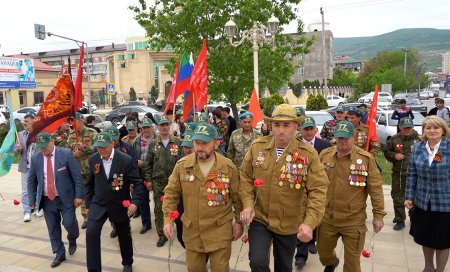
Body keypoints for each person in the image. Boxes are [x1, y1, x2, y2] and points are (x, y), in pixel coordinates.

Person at [239, 104, 329, 272]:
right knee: (257, 262)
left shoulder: (308, 154)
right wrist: (248, 204)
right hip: (261, 218)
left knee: (284, 267)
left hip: (288, 222)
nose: (281, 130)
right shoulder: (257, 147)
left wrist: (309, 223)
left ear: (296, 126)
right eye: (276, 125)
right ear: (270, 126)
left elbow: (318, 190)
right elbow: (244, 176)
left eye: (286, 125)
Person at [163, 124, 243, 272]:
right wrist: (168, 220)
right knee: (194, 269)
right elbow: (171, 195)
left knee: (220, 269)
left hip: (220, 231)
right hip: (193, 232)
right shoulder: (182, 166)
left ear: (216, 143)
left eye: (205, 143)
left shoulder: (227, 167)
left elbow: (238, 198)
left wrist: (238, 222)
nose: (200, 147)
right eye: (197, 142)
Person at [318, 120, 386, 272]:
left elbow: (376, 189)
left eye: (345, 138)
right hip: (328, 217)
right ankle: (331, 262)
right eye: (339, 137)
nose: (342, 141)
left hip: (353, 220)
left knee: (352, 263)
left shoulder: (366, 159)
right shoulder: (325, 155)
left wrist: (378, 216)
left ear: (353, 137)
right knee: (323, 253)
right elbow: (315, 184)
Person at [85, 132, 144, 272]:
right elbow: (89, 184)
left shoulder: (125, 160)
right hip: (98, 203)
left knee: (123, 234)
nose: (101, 150)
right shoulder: (93, 159)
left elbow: (138, 183)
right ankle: (93, 269)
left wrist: (134, 202)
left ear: (112, 144)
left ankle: (127, 262)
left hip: (119, 203)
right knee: (91, 233)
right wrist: (88, 204)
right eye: (98, 147)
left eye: (104, 147)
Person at [27, 132, 83, 268]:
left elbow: (77, 176)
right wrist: (32, 200)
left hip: (66, 198)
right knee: (52, 228)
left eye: (45, 146)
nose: (43, 149)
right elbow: (31, 180)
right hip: (47, 200)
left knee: (69, 223)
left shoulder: (66, 154)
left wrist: (79, 196)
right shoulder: (36, 159)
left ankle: (72, 237)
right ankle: (59, 252)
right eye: (40, 147)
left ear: (52, 141)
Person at [405, 116, 450, 272]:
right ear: (423, 130)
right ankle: (428, 267)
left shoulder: (448, 148)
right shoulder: (418, 147)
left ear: (443, 130)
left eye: (436, 127)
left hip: (445, 204)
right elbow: (411, 173)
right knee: (426, 237)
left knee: (443, 240)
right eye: (428, 127)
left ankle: (440, 270)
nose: (432, 131)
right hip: (423, 202)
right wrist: (409, 196)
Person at [294, 116, 331, 268]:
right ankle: (300, 255)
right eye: (305, 129)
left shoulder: (325, 145)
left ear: (316, 130)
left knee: (315, 213)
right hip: (300, 188)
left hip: (317, 187)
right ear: (300, 130)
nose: (308, 132)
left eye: (311, 129)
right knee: (302, 217)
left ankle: (312, 240)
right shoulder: (295, 145)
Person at [145, 115, 182, 247]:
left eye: (166, 124)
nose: (164, 127)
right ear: (158, 127)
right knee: (160, 209)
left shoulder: (177, 142)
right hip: (158, 182)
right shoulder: (153, 144)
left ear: (170, 126)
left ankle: (180, 230)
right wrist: (148, 180)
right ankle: (162, 234)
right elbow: (148, 164)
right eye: (162, 125)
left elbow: (183, 162)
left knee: (178, 206)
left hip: (175, 182)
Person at [384, 117, 420, 231]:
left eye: (409, 128)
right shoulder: (394, 139)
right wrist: (394, 156)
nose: (407, 130)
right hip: (399, 173)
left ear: (412, 127)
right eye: (405, 128)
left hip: (416, 174)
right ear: (400, 127)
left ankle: (414, 218)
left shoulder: (420, 139)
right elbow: (386, 152)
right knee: (397, 196)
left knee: (415, 197)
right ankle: (400, 219)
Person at [105, 125, 138, 237]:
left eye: (114, 138)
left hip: (122, 179)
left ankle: (124, 224)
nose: (113, 141)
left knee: (123, 203)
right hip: (108, 180)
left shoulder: (126, 147)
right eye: (110, 138)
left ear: (119, 137)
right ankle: (114, 225)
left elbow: (133, 164)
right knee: (111, 203)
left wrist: (132, 182)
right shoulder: (103, 148)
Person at [66, 112, 98, 229]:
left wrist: (84, 148)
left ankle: (96, 214)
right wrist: (75, 154)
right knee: (83, 194)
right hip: (78, 170)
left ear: (81, 121)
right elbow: (67, 153)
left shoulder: (92, 132)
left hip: (92, 169)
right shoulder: (71, 136)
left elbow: (97, 148)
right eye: (71, 122)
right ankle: (86, 217)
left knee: (95, 193)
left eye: (74, 121)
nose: (72, 124)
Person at [14, 113, 41, 221]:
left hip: (38, 167)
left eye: (26, 121)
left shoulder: (39, 134)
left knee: (39, 188)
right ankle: (27, 211)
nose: (24, 123)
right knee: (25, 191)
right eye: (23, 121)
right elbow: (15, 151)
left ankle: (38, 208)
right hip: (25, 167)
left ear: (33, 121)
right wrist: (18, 149)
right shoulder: (20, 135)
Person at [132, 117, 155, 234]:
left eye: (148, 127)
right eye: (144, 127)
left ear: (152, 127)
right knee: (143, 200)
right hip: (141, 175)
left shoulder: (157, 139)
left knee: (159, 200)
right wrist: (136, 161)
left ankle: (162, 222)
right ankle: (146, 224)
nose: (146, 130)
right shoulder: (136, 141)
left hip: (155, 174)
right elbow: (132, 157)